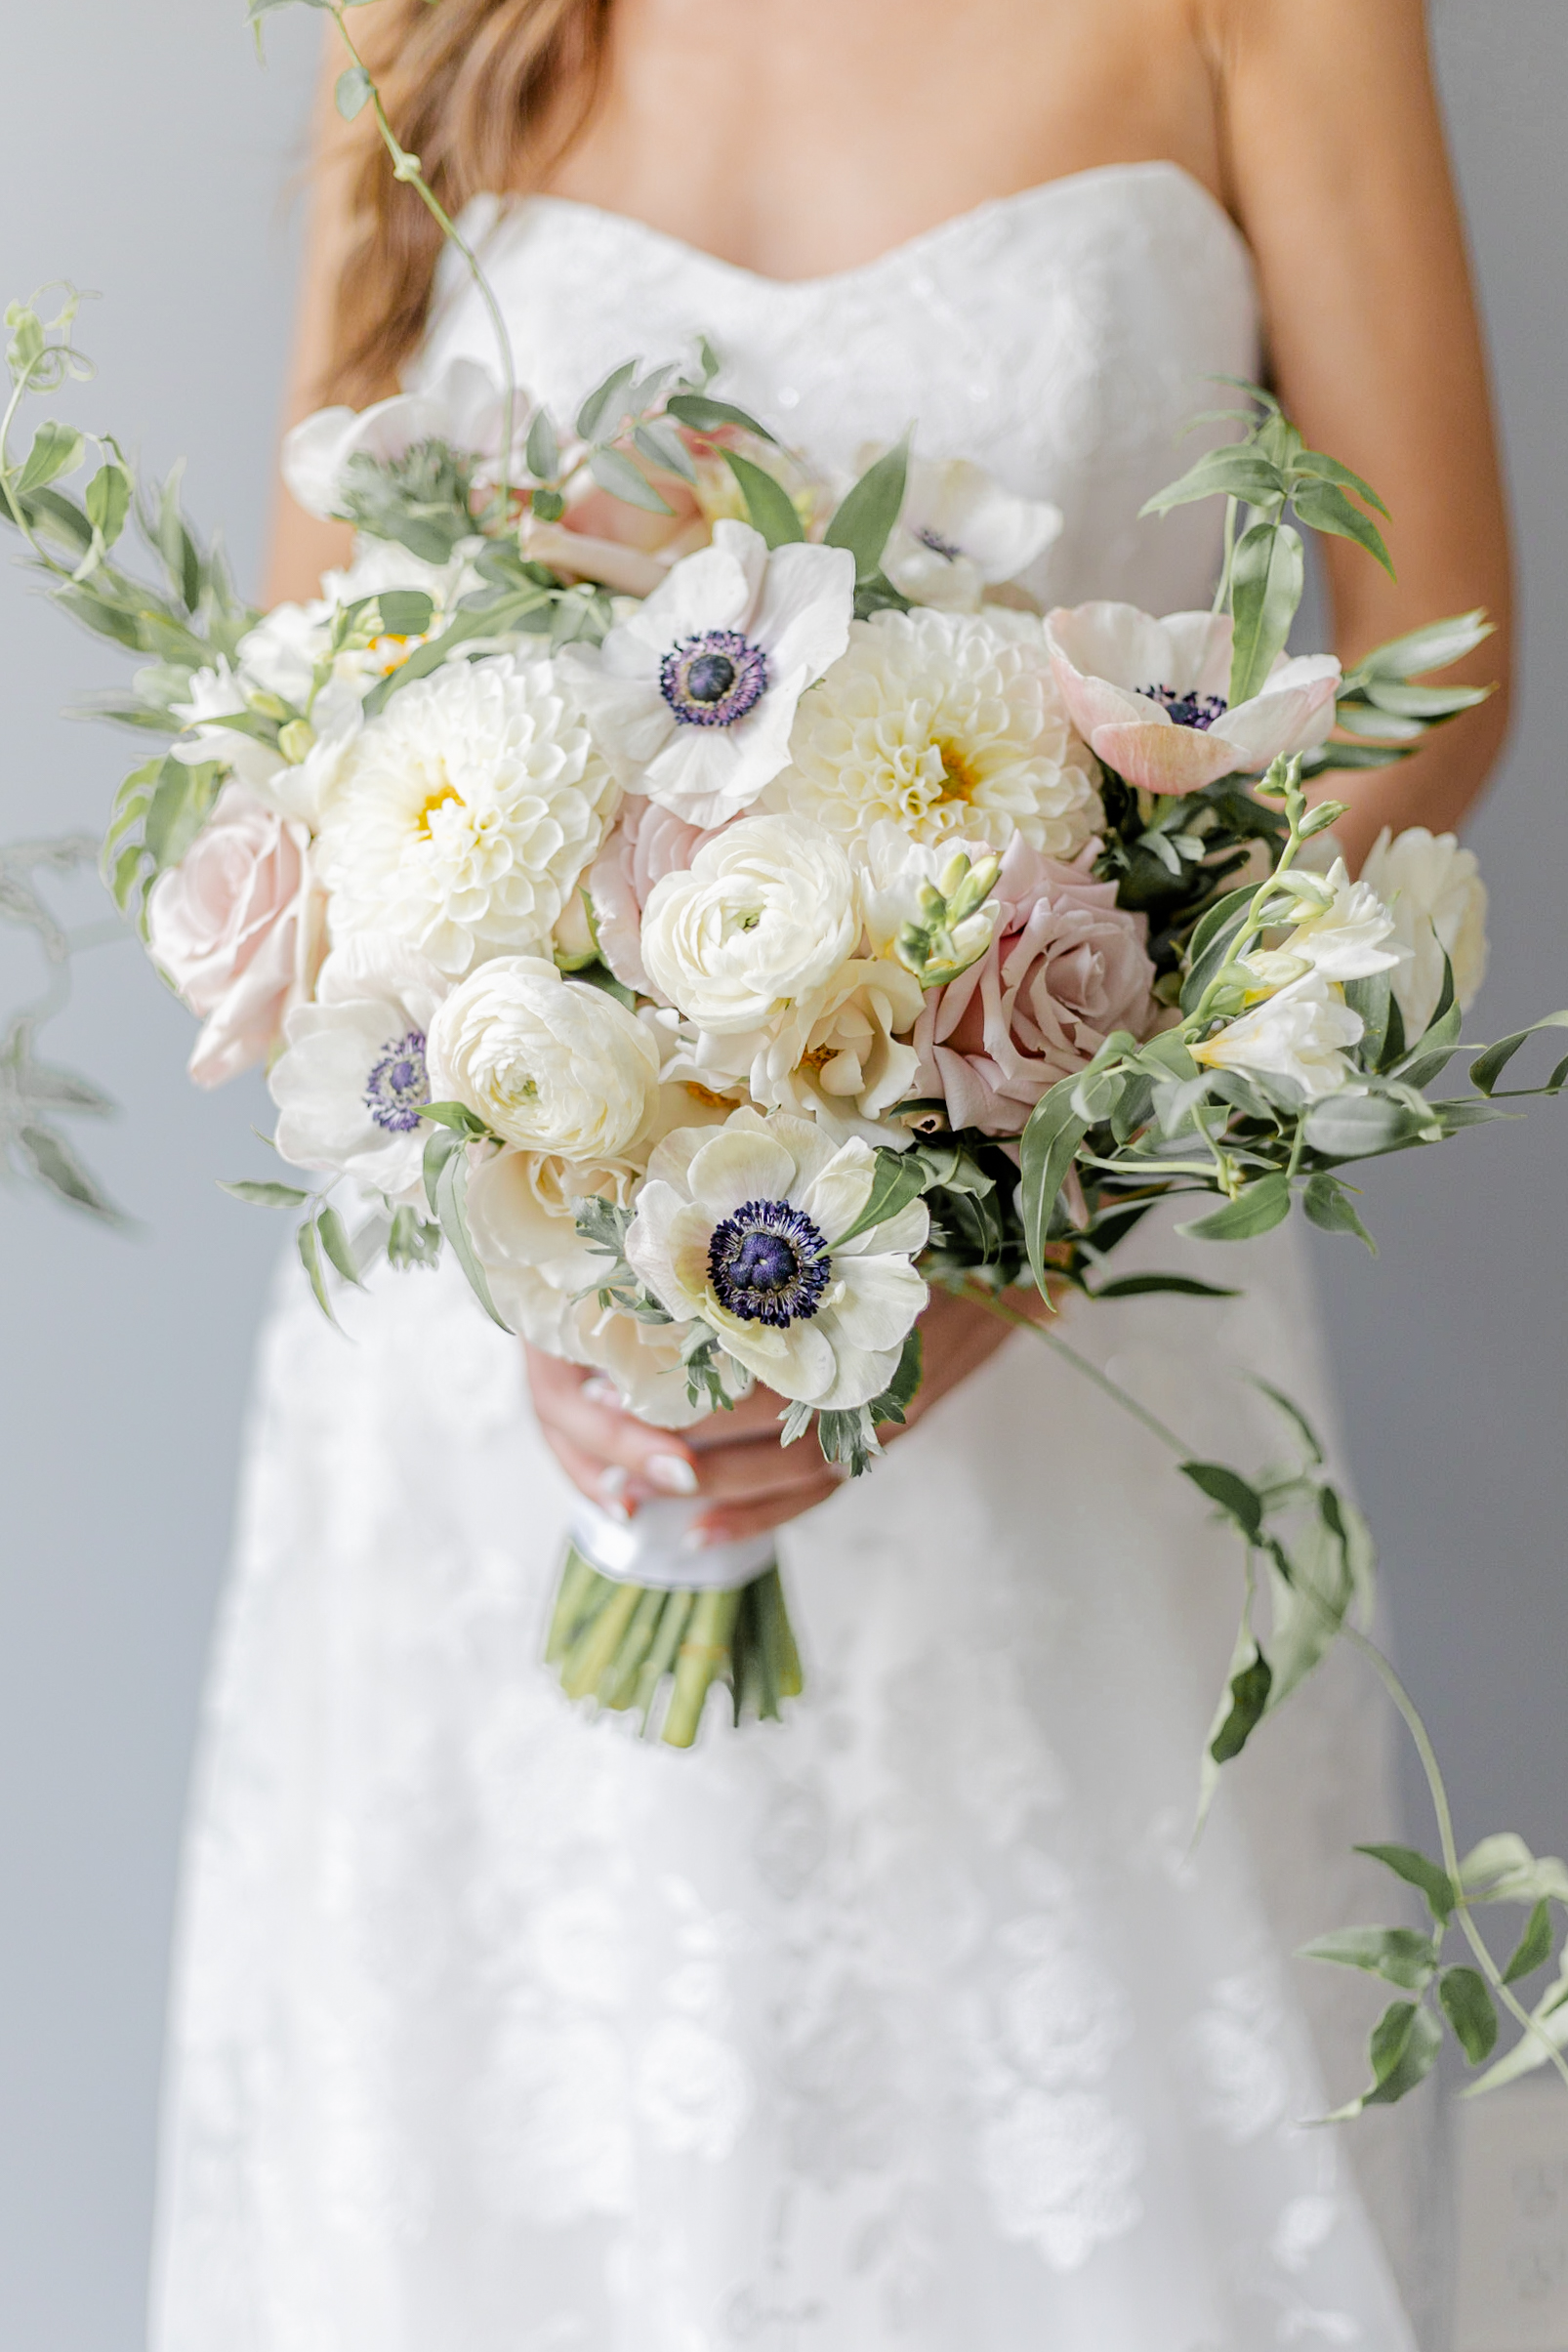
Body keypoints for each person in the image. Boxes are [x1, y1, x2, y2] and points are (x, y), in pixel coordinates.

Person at [151, 3, 1511, 2345]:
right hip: (504, 1401)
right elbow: (311, 685)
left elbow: (1430, 666)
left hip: (1075, 1321)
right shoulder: (422, 23)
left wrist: (1012, 1216)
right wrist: (549, 1235)